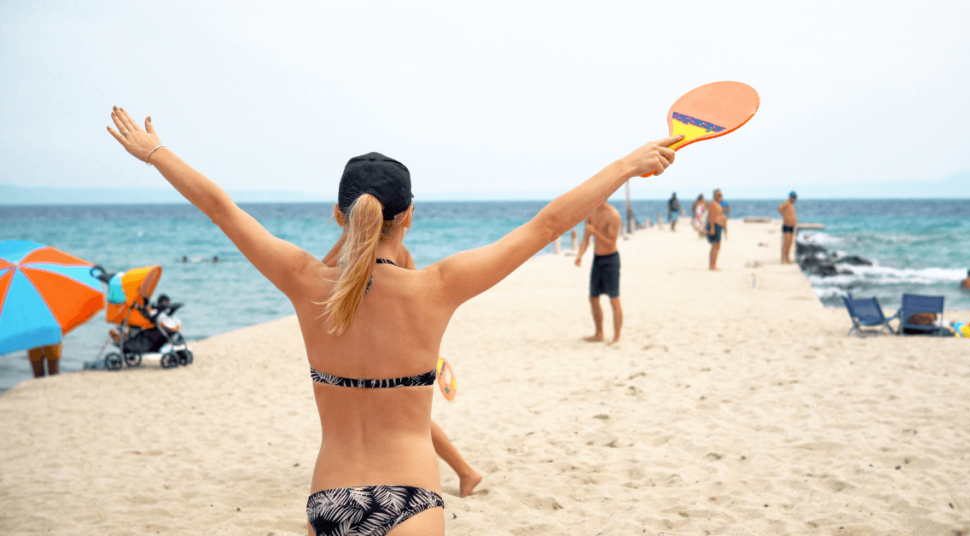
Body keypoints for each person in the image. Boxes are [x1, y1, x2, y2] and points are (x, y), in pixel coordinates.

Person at [106, 106, 680, 536]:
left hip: (328, 498)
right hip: (411, 500)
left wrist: (156, 153)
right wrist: (628, 164)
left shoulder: (303, 280)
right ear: (409, 217)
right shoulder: (438, 286)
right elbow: (548, 225)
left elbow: (220, 209)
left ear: (338, 214)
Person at [321, 239, 483, 498]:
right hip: (381, 346)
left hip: (386, 349)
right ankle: (464, 472)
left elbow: (319, 275)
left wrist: (346, 240)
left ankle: (465, 472)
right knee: (396, 417)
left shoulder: (364, 249)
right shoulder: (395, 251)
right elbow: (417, 297)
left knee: (406, 418)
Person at [574, 201, 623, 344]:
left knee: (614, 299)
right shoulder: (590, 213)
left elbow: (611, 243)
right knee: (593, 298)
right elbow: (585, 239)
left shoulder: (613, 215)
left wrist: (595, 232)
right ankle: (599, 333)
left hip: (611, 259)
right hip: (597, 259)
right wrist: (579, 256)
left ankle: (616, 337)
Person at [706, 189, 726, 270]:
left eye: (721, 195)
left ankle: (712, 265)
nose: (720, 197)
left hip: (718, 226)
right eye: (718, 195)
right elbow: (711, 216)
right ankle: (712, 265)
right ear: (715, 196)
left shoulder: (718, 204)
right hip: (715, 226)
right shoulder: (713, 204)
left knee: (716, 246)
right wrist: (712, 228)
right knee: (716, 246)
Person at [777, 191, 797, 264]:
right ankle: (783, 259)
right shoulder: (787, 203)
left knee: (789, 244)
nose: (794, 199)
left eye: (795, 198)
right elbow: (780, 209)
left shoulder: (792, 205)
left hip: (792, 226)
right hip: (787, 225)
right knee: (786, 243)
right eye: (793, 197)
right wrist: (785, 215)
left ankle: (787, 258)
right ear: (790, 197)